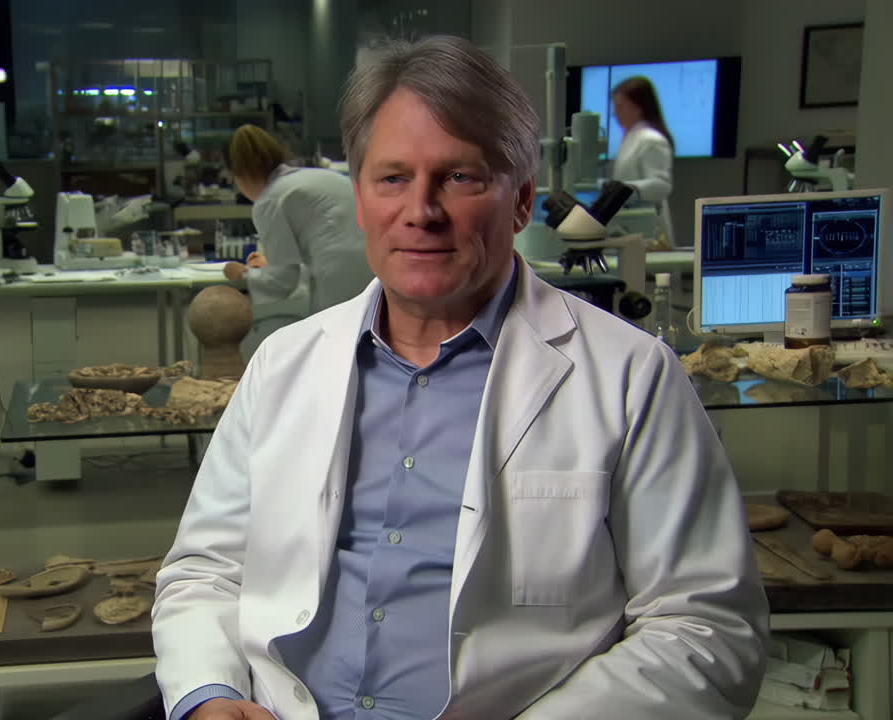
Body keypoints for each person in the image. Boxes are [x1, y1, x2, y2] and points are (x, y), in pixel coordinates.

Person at [153, 35, 767, 720]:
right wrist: (209, 695)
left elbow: (708, 629)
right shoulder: (285, 364)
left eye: (459, 177)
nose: (421, 210)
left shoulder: (629, 377)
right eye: (392, 179)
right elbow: (205, 570)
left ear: (522, 201)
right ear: (360, 201)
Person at [222, 125, 372, 319]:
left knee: (337, 340)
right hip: (378, 268)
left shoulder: (269, 199)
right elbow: (330, 241)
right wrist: (271, 264)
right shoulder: (312, 177)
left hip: (339, 281)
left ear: (241, 176)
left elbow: (283, 281)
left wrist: (243, 275)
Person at [610, 76, 676, 248]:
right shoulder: (630, 137)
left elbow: (662, 185)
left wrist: (624, 190)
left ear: (638, 107)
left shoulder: (651, 140)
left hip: (650, 230)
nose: (614, 113)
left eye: (619, 107)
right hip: (633, 226)